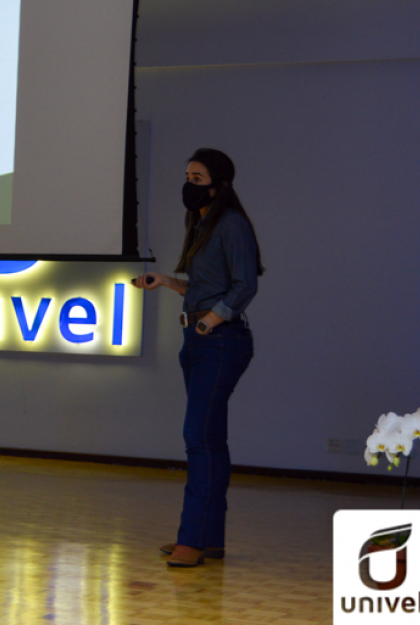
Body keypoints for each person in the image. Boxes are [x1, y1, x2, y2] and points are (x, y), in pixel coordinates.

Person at [132, 148, 262, 568]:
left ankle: (192, 541)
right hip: (198, 340)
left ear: (219, 184)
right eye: (187, 177)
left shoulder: (232, 224)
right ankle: (210, 538)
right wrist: (166, 281)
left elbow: (244, 286)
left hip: (220, 342)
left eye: (198, 178)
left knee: (199, 439)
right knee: (209, 440)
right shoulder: (202, 224)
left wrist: (210, 322)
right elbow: (204, 287)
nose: (189, 185)